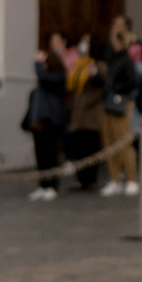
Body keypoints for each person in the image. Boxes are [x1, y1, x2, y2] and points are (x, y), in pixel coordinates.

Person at [99, 15, 142, 197]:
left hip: (123, 104)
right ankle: (115, 179)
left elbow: (135, 80)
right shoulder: (112, 59)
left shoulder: (126, 60)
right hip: (109, 105)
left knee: (123, 142)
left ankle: (131, 179)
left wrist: (116, 87)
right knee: (110, 143)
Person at [24, 35, 69, 200]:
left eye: (44, 63)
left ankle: (53, 186)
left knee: (51, 155)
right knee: (40, 155)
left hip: (52, 121)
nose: (42, 66)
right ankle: (43, 185)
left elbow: (42, 77)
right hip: (40, 122)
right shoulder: (44, 82)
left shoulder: (57, 76)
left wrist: (37, 63)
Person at [62, 38, 105, 192]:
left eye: (87, 41)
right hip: (77, 116)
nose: (83, 44)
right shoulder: (79, 65)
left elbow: (103, 84)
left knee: (91, 148)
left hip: (91, 117)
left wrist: (95, 74)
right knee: (78, 150)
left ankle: (91, 180)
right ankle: (81, 180)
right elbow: (72, 88)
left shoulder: (99, 65)